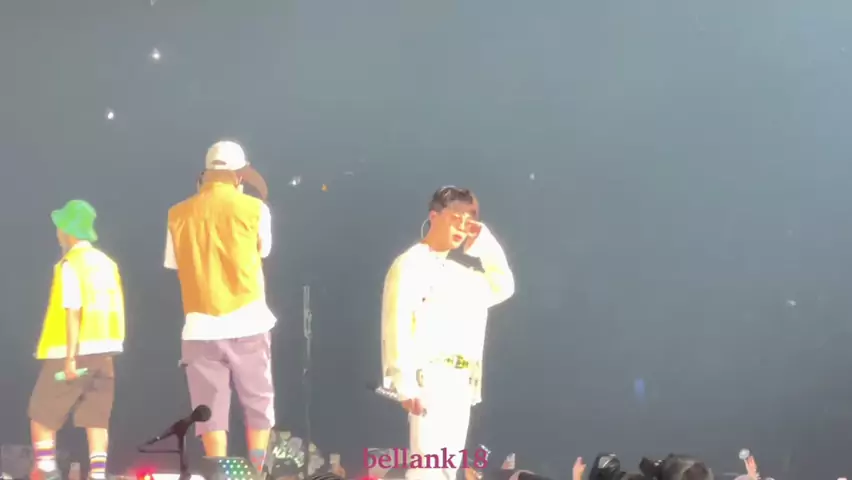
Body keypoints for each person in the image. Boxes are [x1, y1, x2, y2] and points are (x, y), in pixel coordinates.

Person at [381, 186, 515, 480]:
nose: (462, 227)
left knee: (444, 471)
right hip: (430, 378)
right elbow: (397, 321)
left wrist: (483, 240)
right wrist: (404, 383)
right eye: (456, 218)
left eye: (469, 221)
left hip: (462, 382)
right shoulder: (411, 264)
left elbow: (503, 285)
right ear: (434, 216)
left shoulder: (460, 273)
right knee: (429, 470)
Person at [165, 140, 275, 472]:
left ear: (205, 175)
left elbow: (174, 263)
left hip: (199, 326)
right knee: (258, 402)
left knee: (209, 409)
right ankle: (256, 472)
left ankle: (221, 474)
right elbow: (264, 251)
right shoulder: (256, 209)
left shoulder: (177, 213)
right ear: (239, 176)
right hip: (249, 320)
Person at [28, 200, 126, 480]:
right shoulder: (107, 264)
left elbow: (73, 310)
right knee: (96, 417)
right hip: (105, 351)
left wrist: (70, 359)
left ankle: (46, 470)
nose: (58, 232)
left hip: (71, 352)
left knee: (41, 412)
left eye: (60, 227)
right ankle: (98, 474)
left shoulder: (72, 264)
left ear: (68, 230)